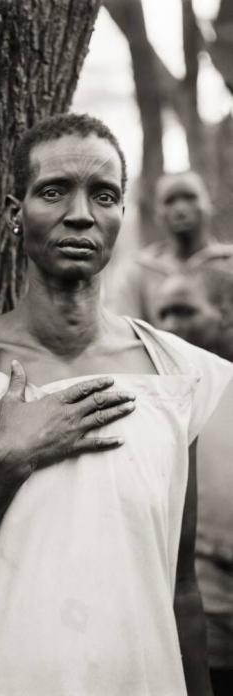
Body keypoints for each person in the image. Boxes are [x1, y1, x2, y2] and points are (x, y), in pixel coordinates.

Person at [0, 113, 233, 695]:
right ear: (16, 213)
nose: (81, 213)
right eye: (54, 191)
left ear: (120, 215)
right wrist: (5, 465)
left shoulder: (177, 372)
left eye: (104, 195)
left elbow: (180, 587)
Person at [156, 269, 233, 696]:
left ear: (225, 314)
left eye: (184, 310)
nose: (169, 325)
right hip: (193, 632)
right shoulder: (157, 401)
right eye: (162, 313)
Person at [110, 170, 233, 325]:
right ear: (157, 213)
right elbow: (126, 332)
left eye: (190, 197)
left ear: (209, 203)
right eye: (170, 201)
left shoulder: (229, 263)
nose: (180, 209)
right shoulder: (139, 271)